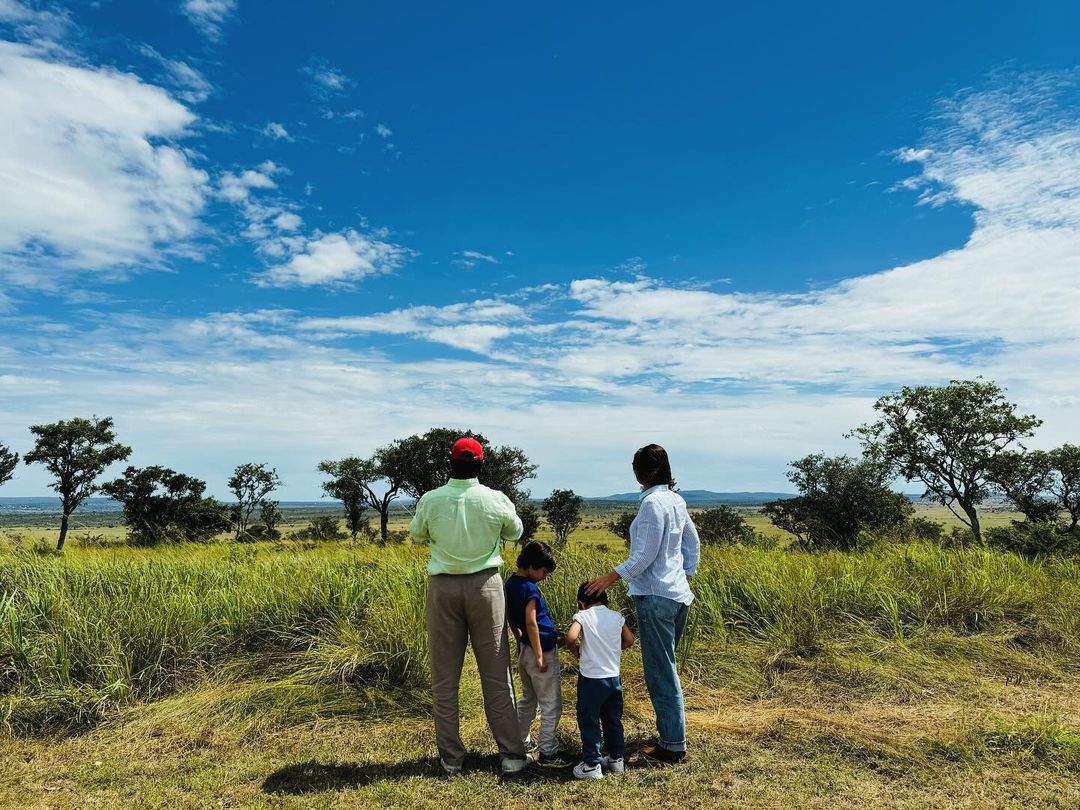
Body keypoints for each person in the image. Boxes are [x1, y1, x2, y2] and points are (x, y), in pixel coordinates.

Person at [409, 436, 528, 775]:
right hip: (486, 587)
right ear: (480, 464)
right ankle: (511, 755)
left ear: (451, 463)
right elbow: (516, 530)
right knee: (496, 673)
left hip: (443, 588)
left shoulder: (431, 500)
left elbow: (417, 535)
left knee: (445, 678)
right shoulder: (495, 498)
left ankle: (451, 758)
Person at [586, 443, 700, 765]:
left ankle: (672, 746)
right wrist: (683, 573)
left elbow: (644, 556)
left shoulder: (651, 504)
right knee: (668, 669)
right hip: (678, 596)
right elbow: (693, 543)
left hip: (656, 597)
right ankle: (671, 734)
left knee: (661, 673)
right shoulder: (676, 500)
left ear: (642, 473)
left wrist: (609, 578)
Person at [504, 541, 570, 767]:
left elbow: (512, 617)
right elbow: (532, 622)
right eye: (543, 572)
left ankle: (519, 742)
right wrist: (540, 655)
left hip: (525, 649)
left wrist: (517, 638)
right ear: (532, 566)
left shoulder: (510, 584)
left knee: (528, 700)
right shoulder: (530, 589)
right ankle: (548, 752)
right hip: (540, 650)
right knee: (551, 703)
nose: (544, 576)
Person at [566, 581, 635, 780]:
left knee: (589, 719)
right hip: (613, 678)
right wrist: (612, 650)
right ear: (606, 600)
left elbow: (570, 637)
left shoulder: (583, 616)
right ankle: (616, 759)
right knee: (612, 719)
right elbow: (629, 640)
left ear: (581, 603)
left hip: (591, 679)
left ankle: (591, 764)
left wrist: (577, 650)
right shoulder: (616, 617)